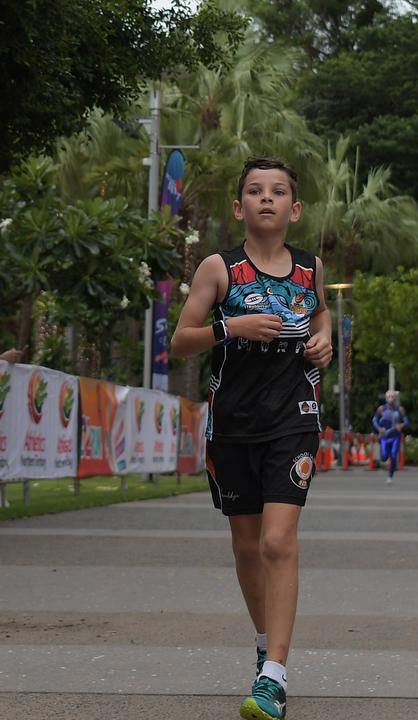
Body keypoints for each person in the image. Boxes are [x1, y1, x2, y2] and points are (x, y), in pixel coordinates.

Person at [170, 157, 334, 720]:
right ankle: (266, 643)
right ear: (239, 208)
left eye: (280, 191)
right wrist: (229, 327)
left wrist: (324, 342)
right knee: (245, 547)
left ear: (295, 208)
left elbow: (321, 317)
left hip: (295, 416)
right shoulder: (220, 268)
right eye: (256, 192)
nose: (268, 198)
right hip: (233, 423)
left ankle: (275, 677)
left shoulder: (311, 268)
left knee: (277, 542)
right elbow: (180, 341)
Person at [372, 390, 408, 483]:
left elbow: (406, 421)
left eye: (392, 398)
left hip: (395, 436)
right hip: (384, 437)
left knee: (393, 455)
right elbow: (374, 420)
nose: (391, 400)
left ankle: (390, 476)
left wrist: (401, 425)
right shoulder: (381, 409)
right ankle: (387, 462)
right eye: (389, 398)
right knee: (384, 457)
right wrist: (379, 428)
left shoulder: (400, 409)